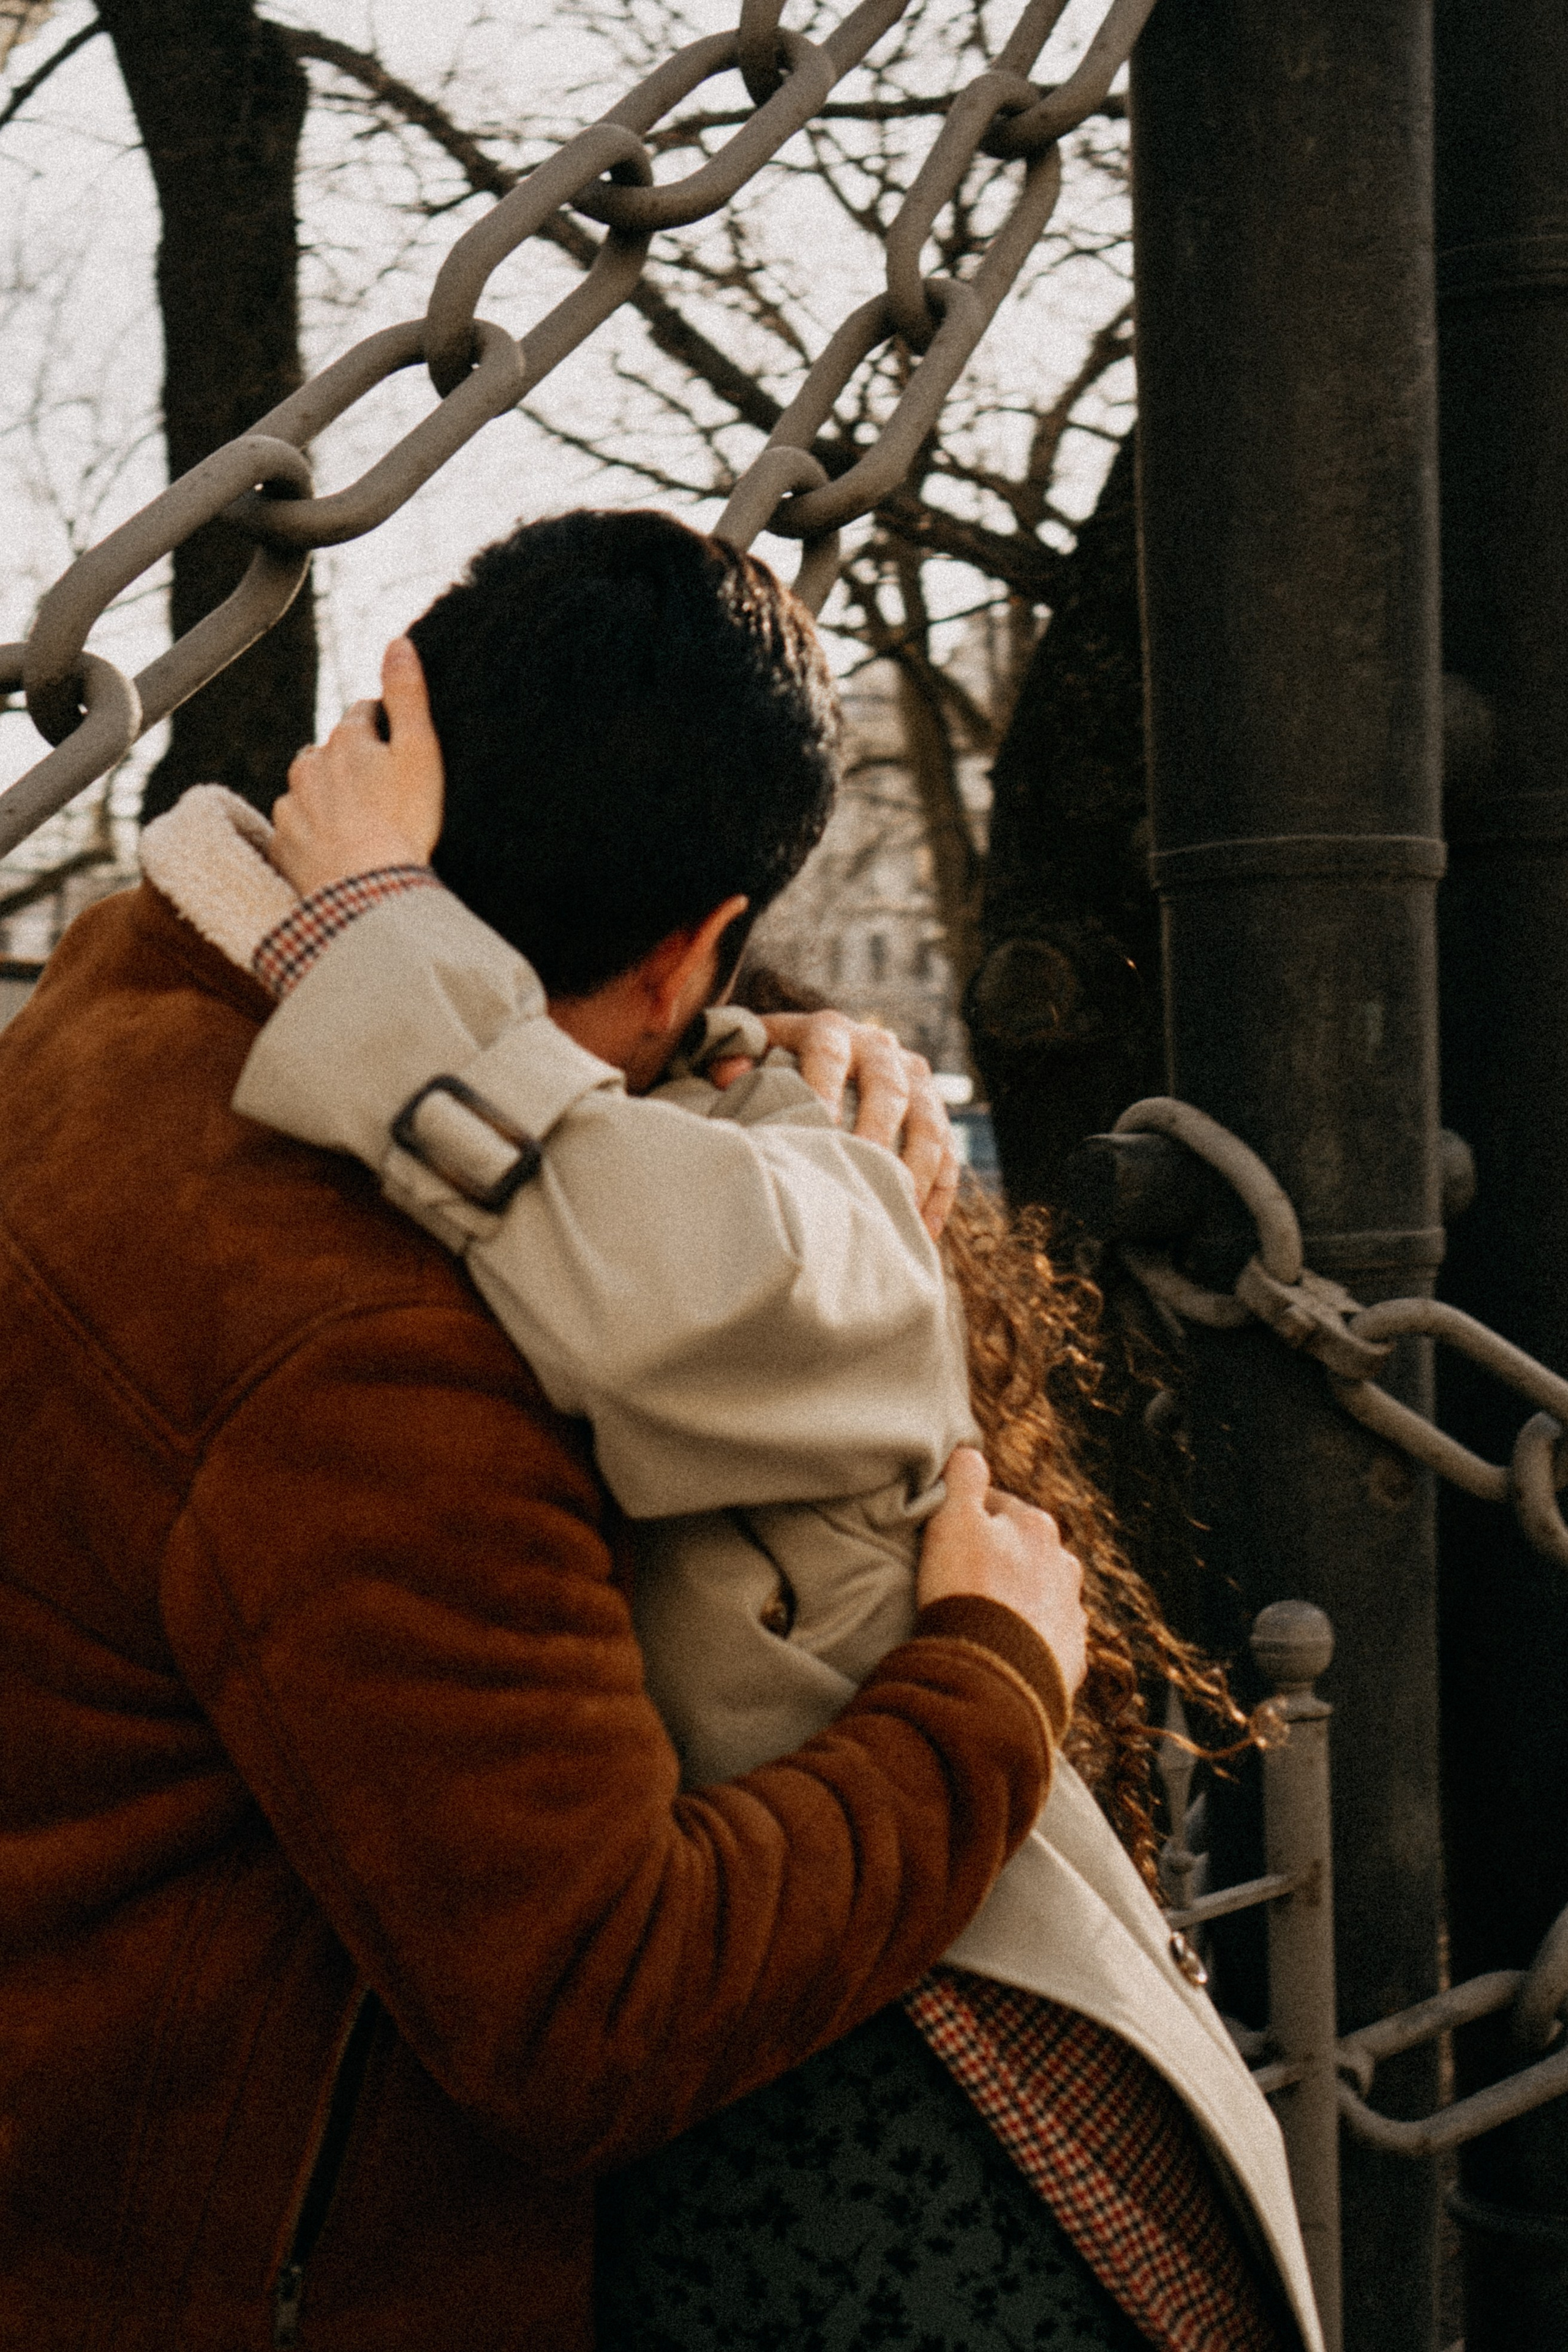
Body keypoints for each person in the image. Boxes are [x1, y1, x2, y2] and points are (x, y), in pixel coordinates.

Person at [227, 511, 1322, 2352]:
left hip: (877, 2096)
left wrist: (350, 930)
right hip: (892, 2089)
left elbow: (635, 1265)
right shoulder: (746, 1149)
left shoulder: (792, 1193)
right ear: (706, 947)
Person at [0, 519, 1086, 2352]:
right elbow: (594, 2008)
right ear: (696, 950)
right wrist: (987, 1685)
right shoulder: (373, 1350)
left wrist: (751, 1088)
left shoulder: (131, 990)